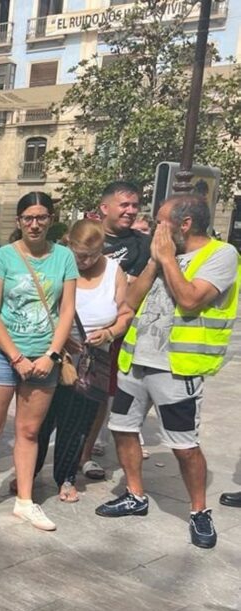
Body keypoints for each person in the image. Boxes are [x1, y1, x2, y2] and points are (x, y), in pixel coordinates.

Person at [98, 194, 239, 549]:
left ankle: (198, 511)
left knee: (184, 446)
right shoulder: (161, 255)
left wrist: (166, 259)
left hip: (177, 368)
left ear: (185, 224)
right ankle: (135, 494)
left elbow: (191, 299)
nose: (155, 227)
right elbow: (130, 301)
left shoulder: (221, 256)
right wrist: (154, 263)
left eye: (161, 221)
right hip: (136, 360)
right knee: (123, 428)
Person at [0, 192, 77, 532]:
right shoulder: (1, 258)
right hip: (2, 356)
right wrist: (15, 357)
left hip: (44, 357)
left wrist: (51, 356)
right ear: (19, 221)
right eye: (28, 217)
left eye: (41, 217)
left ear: (51, 219)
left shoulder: (64, 258)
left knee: (29, 432)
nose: (34, 224)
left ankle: (25, 502)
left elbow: (67, 311)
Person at [31, 219, 134, 501]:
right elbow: (42, 306)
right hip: (55, 353)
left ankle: (66, 476)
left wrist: (110, 333)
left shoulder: (114, 271)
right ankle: (29, 472)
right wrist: (60, 337)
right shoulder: (58, 264)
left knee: (77, 423)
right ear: (69, 245)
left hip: (92, 360)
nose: (86, 261)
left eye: (93, 254)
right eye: (80, 255)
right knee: (41, 418)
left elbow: (125, 313)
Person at [83, 180, 152, 479]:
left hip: (119, 334)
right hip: (78, 331)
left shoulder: (143, 244)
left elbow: (135, 290)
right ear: (104, 207)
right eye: (124, 205)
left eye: (135, 205)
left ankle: (86, 455)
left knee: (100, 395)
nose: (131, 211)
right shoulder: (88, 236)